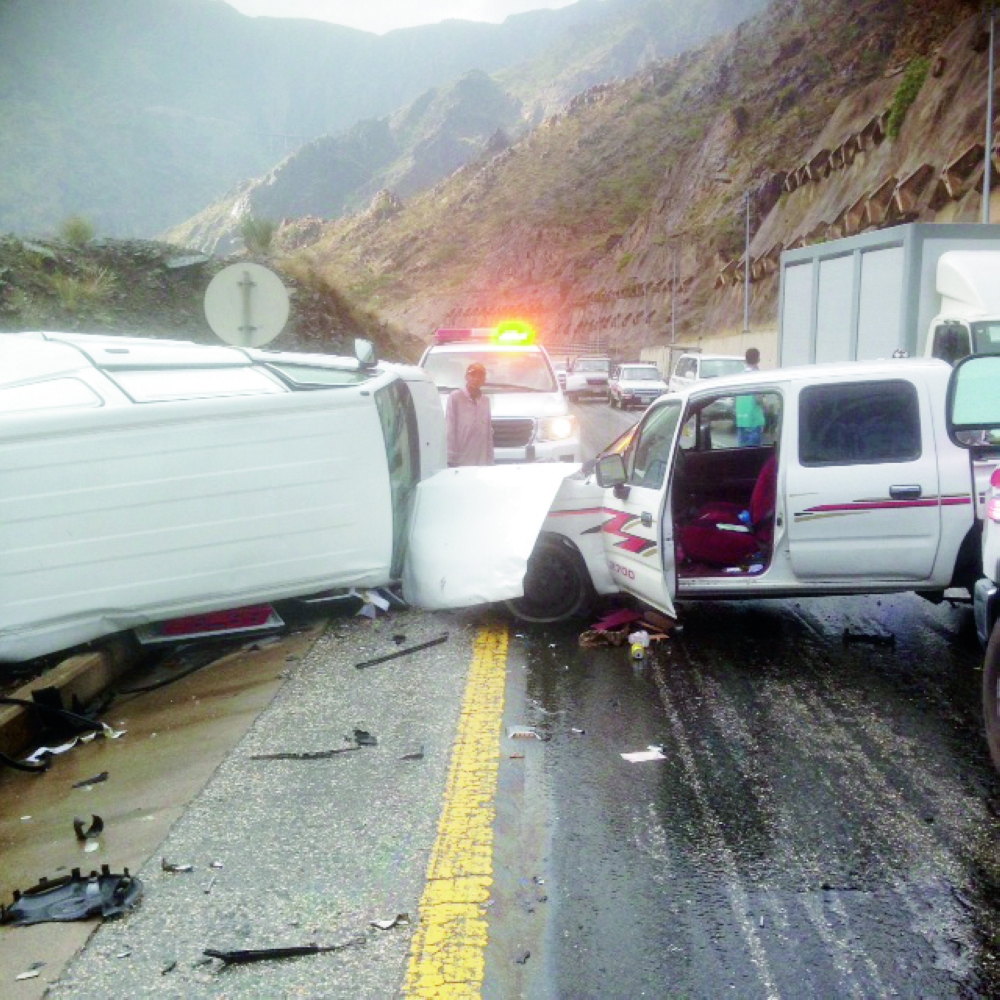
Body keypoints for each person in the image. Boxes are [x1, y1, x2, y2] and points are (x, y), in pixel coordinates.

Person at [446, 362, 494, 467]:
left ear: (484, 380)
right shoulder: (455, 397)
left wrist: (490, 460)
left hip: (481, 460)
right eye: (473, 375)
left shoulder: (485, 401)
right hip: (461, 459)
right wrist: (451, 456)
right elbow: (450, 428)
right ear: (466, 377)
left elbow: (488, 432)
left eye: (480, 376)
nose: (476, 379)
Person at [735, 347, 765, 446]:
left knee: (742, 454)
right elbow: (759, 398)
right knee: (754, 455)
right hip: (754, 419)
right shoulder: (758, 377)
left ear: (745, 360)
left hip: (741, 419)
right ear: (758, 360)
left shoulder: (739, 376)